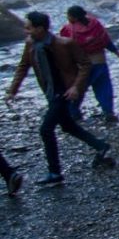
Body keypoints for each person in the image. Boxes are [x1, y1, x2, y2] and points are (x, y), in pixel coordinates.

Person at [5, 11, 113, 185]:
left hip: (63, 92)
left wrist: (76, 87)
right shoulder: (31, 44)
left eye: (29, 28)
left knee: (45, 130)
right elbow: (23, 66)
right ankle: (101, 146)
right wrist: (12, 91)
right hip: (50, 92)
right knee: (68, 126)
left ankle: (55, 173)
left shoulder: (65, 43)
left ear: (40, 28)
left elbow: (85, 64)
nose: (26, 31)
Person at [59, 5, 119, 123]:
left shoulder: (69, 29)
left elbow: (65, 48)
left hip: (83, 66)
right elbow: (106, 40)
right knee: (104, 88)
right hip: (100, 62)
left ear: (73, 17)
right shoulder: (95, 24)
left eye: (68, 15)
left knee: (78, 89)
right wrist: (117, 52)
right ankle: (108, 112)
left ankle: (74, 113)